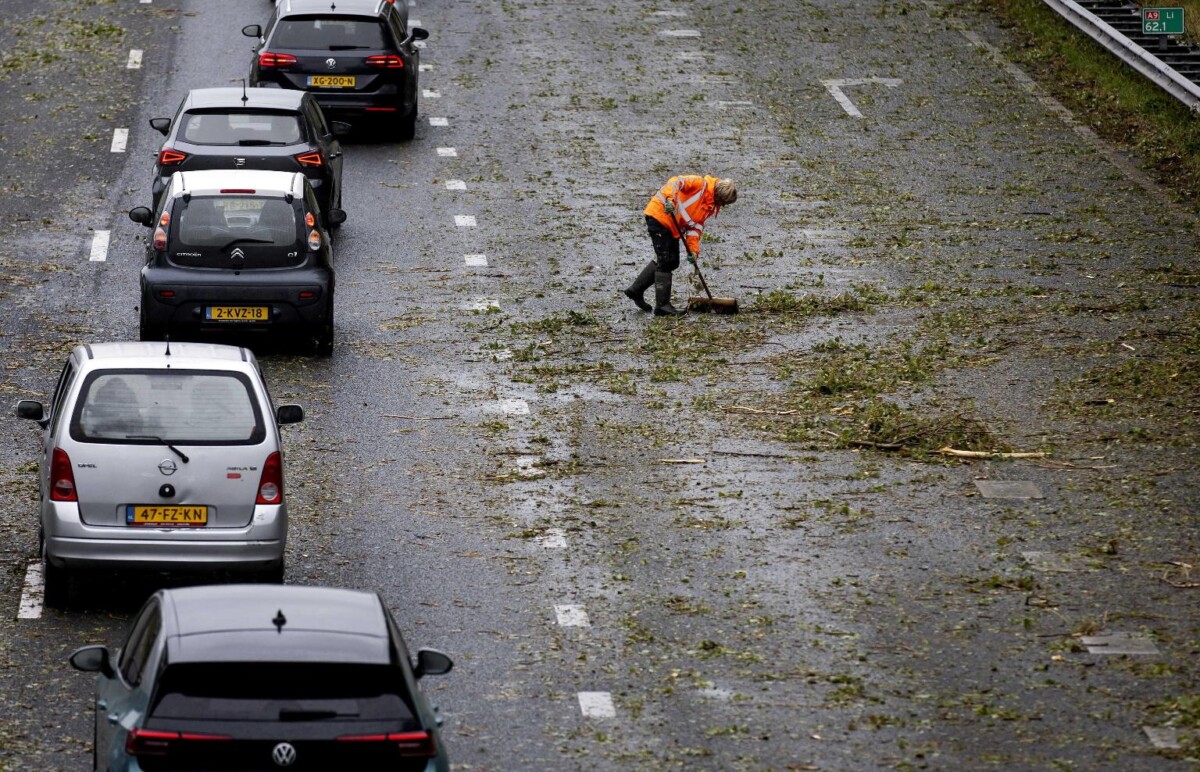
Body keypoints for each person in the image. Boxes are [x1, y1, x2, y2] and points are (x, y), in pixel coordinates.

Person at [624, 175, 737, 316]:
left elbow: (695, 228)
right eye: (723, 202)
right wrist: (670, 200)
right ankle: (662, 306)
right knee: (665, 261)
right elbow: (675, 182)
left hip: (672, 227)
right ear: (719, 194)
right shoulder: (699, 184)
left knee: (672, 261)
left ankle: (636, 290)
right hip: (659, 216)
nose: (722, 206)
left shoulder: (709, 206)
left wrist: (693, 251)